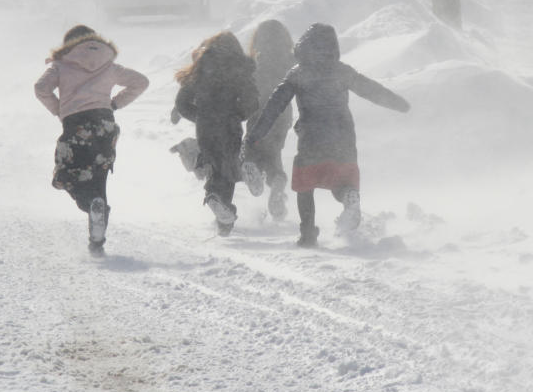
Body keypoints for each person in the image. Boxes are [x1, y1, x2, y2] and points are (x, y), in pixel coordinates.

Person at [243, 23, 410, 247]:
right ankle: (349, 197)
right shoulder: (343, 71)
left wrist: (256, 134)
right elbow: (370, 89)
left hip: (312, 139)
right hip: (344, 138)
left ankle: (308, 234)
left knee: (305, 187)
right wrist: (400, 104)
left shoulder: (297, 73)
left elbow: (275, 105)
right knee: (341, 181)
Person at [35, 24, 149, 255]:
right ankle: (97, 240)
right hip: (106, 126)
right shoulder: (108, 64)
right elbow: (141, 82)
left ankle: (90, 205)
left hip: (75, 125)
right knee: (99, 177)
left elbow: (40, 88)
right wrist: (114, 103)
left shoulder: (60, 64)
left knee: (67, 174)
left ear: (68, 44)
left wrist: (59, 110)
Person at [174, 31, 259, 235]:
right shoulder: (240, 68)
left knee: (213, 164)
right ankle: (222, 211)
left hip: (206, 127)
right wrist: (237, 115)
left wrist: (201, 116)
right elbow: (251, 101)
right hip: (230, 126)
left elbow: (182, 103)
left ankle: (216, 201)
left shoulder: (202, 66)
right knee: (227, 168)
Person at [243, 19, 296, 221]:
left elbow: (244, 88)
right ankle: (277, 182)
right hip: (282, 116)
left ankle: (252, 166)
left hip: (257, 114)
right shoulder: (291, 61)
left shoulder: (255, 63)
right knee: (273, 153)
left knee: (251, 149)